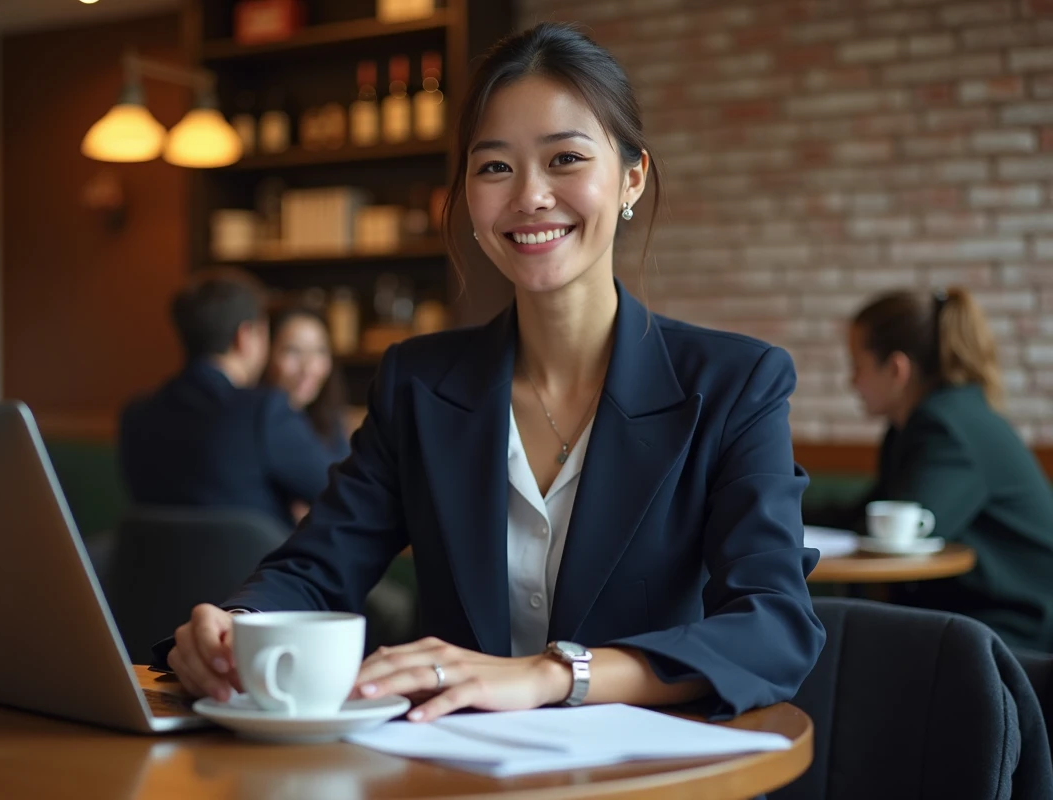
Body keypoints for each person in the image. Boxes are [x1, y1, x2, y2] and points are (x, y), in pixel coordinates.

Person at [161, 22, 825, 722]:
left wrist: (553, 674)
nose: (529, 196)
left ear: (631, 177)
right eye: (494, 167)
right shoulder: (417, 385)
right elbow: (316, 570)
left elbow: (774, 629)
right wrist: (234, 626)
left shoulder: (735, 383)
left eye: (565, 159)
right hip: (458, 774)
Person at [811, 287, 1053, 651]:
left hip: (1017, 625)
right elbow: (870, 514)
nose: (851, 382)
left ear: (896, 369)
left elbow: (902, 538)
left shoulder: (946, 426)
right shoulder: (917, 425)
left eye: (857, 366)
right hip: (978, 614)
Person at [118, 270, 334, 532]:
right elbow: (340, 496)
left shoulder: (137, 416)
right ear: (245, 337)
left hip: (158, 572)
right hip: (257, 572)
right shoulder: (264, 412)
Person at [264, 306, 351, 464]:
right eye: (293, 351)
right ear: (266, 353)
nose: (308, 368)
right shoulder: (257, 422)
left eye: (319, 351)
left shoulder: (330, 418)